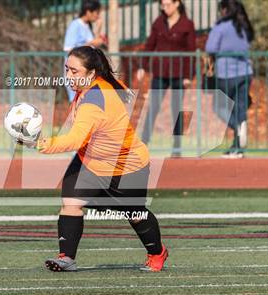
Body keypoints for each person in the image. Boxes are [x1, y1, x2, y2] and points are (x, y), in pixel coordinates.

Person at [25, 46, 168, 272]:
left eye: (75, 71)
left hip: (125, 165)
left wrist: (39, 143)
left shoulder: (95, 98)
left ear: (91, 74)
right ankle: (66, 258)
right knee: (71, 202)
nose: (69, 76)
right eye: (67, 70)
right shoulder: (91, 87)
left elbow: (74, 139)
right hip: (91, 159)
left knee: (135, 214)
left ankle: (157, 252)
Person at [137, 0, 196, 156]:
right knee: (153, 107)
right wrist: (143, 65)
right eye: (163, 5)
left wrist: (189, 76)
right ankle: (143, 143)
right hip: (160, 72)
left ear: (177, 4)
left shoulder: (187, 24)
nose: (165, 8)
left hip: (179, 74)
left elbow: (191, 51)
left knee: (176, 109)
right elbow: (150, 45)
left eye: (168, 4)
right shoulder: (159, 22)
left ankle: (177, 146)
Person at [205, 0, 254, 158]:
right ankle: (237, 148)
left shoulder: (221, 26)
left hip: (227, 74)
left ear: (225, 10)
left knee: (219, 106)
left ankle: (238, 128)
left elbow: (210, 48)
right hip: (245, 72)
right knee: (240, 109)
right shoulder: (243, 25)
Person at [63, 0, 106, 102]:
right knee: (76, 102)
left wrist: (98, 29)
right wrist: (91, 43)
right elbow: (68, 49)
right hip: (76, 72)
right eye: (96, 12)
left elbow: (92, 46)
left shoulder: (87, 26)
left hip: (86, 71)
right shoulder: (75, 25)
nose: (98, 16)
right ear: (88, 12)